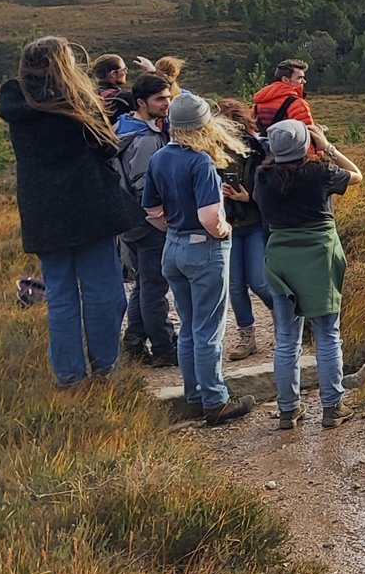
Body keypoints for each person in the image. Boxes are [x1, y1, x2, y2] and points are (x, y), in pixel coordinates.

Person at [0, 37, 140, 387]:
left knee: (60, 296)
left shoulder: (17, 101)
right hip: (89, 205)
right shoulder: (75, 99)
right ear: (64, 64)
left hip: (42, 210)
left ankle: (69, 376)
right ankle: (104, 369)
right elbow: (108, 147)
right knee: (104, 292)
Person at [144, 91, 256, 425]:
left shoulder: (160, 157)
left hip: (174, 246)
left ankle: (194, 395)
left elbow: (151, 211)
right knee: (209, 330)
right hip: (203, 247)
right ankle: (215, 401)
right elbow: (210, 217)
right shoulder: (201, 161)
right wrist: (224, 231)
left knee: (190, 328)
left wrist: (174, 229)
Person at [256, 119, 362, 430]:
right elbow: (357, 175)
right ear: (306, 144)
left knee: (287, 338)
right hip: (319, 253)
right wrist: (327, 146)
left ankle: (288, 410)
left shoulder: (263, 177)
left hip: (281, 257)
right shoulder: (321, 172)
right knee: (327, 333)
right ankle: (332, 407)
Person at [115, 72, 176, 366]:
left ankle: (135, 342)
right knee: (155, 288)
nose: (167, 103)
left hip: (131, 222)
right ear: (142, 102)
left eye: (168, 97)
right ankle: (164, 348)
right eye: (160, 99)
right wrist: (161, 217)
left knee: (144, 284)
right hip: (149, 223)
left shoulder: (125, 127)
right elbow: (144, 184)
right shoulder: (145, 139)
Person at [216, 98, 275, 361]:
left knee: (259, 281)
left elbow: (270, 192)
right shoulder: (210, 152)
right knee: (235, 285)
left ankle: (286, 321)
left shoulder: (259, 151)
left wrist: (246, 198)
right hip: (226, 225)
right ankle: (246, 336)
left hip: (252, 224)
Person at [253, 59, 315, 131]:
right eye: (299, 78)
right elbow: (308, 135)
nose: (304, 81)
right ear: (285, 80)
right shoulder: (297, 104)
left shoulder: (258, 104)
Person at [92, 53, 135, 118]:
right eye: (124, 70)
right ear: (113, 74)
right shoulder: (124, 98)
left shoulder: (90, 95)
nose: (126, 72)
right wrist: (152, 72)